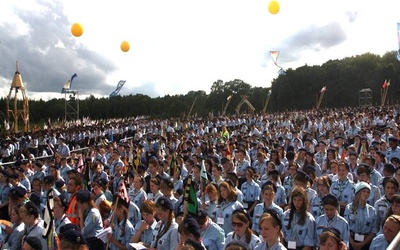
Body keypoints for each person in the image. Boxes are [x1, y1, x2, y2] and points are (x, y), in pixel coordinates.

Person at [343, 181, 377, 250]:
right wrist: (352, 243)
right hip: (351, 242)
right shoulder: (349, 208)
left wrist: (362, 243)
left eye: (368, 192)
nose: (366, 194)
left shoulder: (372, 210)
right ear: (358, 192)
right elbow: (345, 227)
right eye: (364, 191)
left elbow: (373, 230)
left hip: (365, 243)